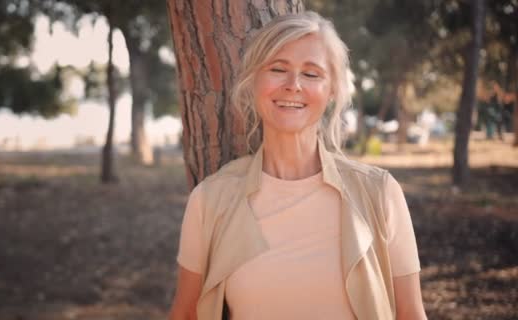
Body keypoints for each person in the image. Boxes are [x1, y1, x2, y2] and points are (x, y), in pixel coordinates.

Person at [168, 11, 427, 320]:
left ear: (331, 90)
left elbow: (411, 314)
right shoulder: (210, 200)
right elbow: (186, 314)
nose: (293, 85)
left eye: (312, 73)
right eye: (278, 69)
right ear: (254, 81)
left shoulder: (379, 192)